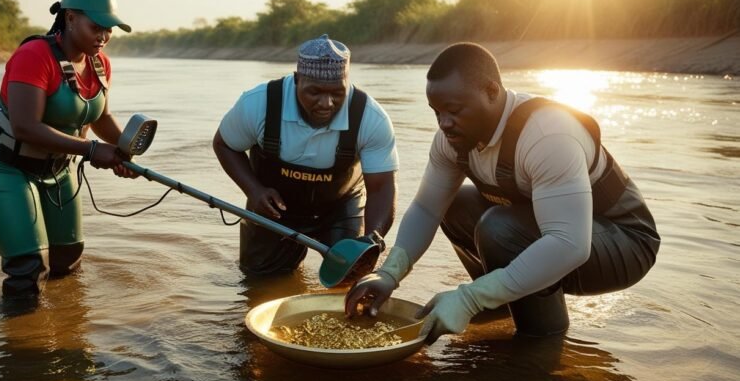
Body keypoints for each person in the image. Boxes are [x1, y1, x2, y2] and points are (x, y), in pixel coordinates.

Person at [345, 43, 660, 341]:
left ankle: (541, 340)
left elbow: (569, 244)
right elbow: (427, 208)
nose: (444, 123)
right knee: (454, 206)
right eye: (436, 112)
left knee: (499, 228)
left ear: (492, 92)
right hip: (554, 233)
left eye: (453, 110)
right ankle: (501, 304)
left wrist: (469, 298)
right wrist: (389, 273)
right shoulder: (451, 140)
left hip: (624, 243)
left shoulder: (547, 135)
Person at [0, 0, 136, 299]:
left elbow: (98, 118)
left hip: (57, 167)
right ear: (70, 18)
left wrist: (127, 151)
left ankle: (66, 329)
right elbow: (25, 127)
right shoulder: (34, 56)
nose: (103, 36)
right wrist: (93, 150)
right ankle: (23, 344)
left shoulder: (99, 63)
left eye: (108, 29)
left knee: (68, 258)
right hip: (3, 165)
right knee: (28, 268)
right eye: (95, 26)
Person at [213, 34, 399, 276]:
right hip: (273, 208)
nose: (327, 103)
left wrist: (372, 240)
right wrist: (253, 190)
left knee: (348, 282)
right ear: (297, 79)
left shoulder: (371, 117)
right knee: (259, 284)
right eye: (315, 92)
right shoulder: (258, 103)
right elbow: (225, 145)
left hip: (340, 207)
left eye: (337, 93)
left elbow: (382, 187)